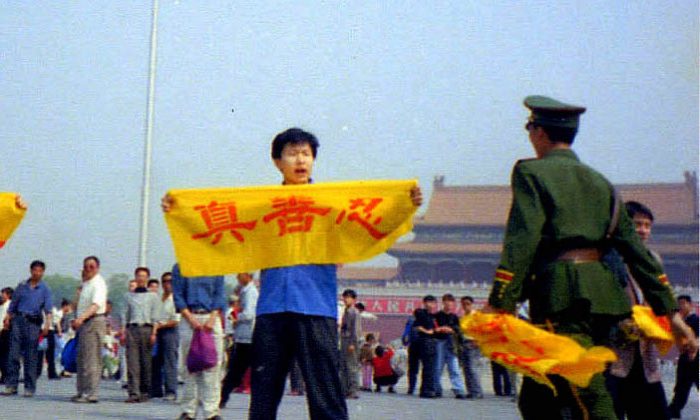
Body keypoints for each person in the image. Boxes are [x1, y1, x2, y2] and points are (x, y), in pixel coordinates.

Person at [485, 96, 697, 419]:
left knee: (588, 392)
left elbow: (522, 240)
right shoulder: (602, 183)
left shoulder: (531, 173)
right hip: (605, 300)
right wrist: (672, 315)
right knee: (538, 397)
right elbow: (637, 254)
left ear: (539, 132)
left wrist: (502, 300)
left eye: (530, 127)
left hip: (563, 297)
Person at [604, 201, 671, 419]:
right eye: (637, 224)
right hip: (613, 356)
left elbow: (662, 301)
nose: (643, 230)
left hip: (645, 356)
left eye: (647, 225)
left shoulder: (653, 260)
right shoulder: (606, 260)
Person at [170, 263, 226, 420]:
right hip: (189, 318)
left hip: (211, 318)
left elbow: (219, 294)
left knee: (213, 366)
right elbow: (178, 296)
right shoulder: (180, 266)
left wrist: (213, 317)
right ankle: (188, 410)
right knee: (190, 366)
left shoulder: (215, 265)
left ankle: (211, 411)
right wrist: (191, 319)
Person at [1, 260, 53, 398]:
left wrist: (47, 324)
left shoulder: (45, 289)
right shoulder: (22, 286)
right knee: (13, 353)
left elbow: (48, 309)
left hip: (33, 323)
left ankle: (29, 387)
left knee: (31, 356)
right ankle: (11, 385)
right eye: (35, 270)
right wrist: (7, 318)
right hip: (18, 321)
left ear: (43, 272)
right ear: (30, 271)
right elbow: (13, 305)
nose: (37, 273)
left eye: (40, 270)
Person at [71, 256, 108, 403]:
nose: (88, 269)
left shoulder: (98, 283)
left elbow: (96, 305)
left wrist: (81, 319)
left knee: (91, 359)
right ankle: (81, 391)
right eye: (86, 267)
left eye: (91, 267)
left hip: (93, 321)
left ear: (97, 268)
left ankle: (91, 393)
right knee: (82, 359)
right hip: (83, 323)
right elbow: (76, 304)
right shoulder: (86, 284)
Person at [220, 273, 258, 408]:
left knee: (237, 368)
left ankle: (223, 396)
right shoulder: (245, 291)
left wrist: (237, 318)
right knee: (238, 369)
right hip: (244, 336)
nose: (237, 277)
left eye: (240, 275)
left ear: (247, 276)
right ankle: (223, 395)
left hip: (247, 336)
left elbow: (249, 314)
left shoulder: (250, 292)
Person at [122, 267, 159, 403]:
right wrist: (123, 332)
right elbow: (124, 315)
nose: (141, 279)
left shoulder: (153, 297)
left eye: (144, 276)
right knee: (132, 362)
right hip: (132, 329)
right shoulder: (128, 296)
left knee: (146, 362)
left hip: (147, 329)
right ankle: (133, 392)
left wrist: (154, 333)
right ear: (135, 278)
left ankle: (145, 390)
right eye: (139, 276)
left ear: (147, 278)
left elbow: (156, 316)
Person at [668, 295, 699, 418]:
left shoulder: (695, 320)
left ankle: (674, 409)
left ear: (690, 305)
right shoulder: (681, 322)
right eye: (678, 304)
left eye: (683, 303)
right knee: (681, 386)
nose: (680, 306)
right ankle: (674, 410)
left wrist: (694, 350)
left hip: (696, 359)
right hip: (685, 359)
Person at [151, 271, 180, 401]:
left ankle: (171, 390)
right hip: (158, 331)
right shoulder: (158, 298)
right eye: (165, 281)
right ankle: (156, 389)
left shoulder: (177, 299)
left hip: (170, 331)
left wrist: (159, 326)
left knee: (169, 361)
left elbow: (176, 320)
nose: (167, 284)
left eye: (170, 281)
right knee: (155, 360)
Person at [434, 293, 467, 399]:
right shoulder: (437, 315)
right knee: (438, 367)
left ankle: (459, 390)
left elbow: (459, 330)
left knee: (454, 368)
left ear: (453, 304)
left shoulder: (454, 317)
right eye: (446, 301)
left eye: (450, 301)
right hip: (439, 343)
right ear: (443, 302)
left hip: (451, 344)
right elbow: (433, 328)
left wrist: (451, 329)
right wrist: (440, 329)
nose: (448, 303)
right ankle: (436, 389)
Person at [413, 295, 439, 398]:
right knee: (428, 367)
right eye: (429, 302)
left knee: (431, 367)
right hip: (425, 341)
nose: (431, 305)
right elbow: (417, 327)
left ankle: (429, 389)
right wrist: (428, 332)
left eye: (433, 303)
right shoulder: (421, 313)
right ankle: (427, 391)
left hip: (433, 342)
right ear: (424, 303)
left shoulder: (433, 317)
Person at [458, 296, 483, 399]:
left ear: (472, 304)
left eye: (468, 304)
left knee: (473, 369)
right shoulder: (463, 317)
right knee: (467, 369)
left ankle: (477, 392)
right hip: (465, 343)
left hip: (474, 344)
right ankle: (471, 391)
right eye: (463, 304)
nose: (465, 306)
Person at [339, 289, 362, 399]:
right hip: (344, 340)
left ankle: (353, 390)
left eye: (348, 297)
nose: (345, 299)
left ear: (354, 299)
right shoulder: (346, 311)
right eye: (344, 297)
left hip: (351, 341)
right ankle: (344, 390)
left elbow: (356, 329)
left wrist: (353, 343)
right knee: (344, 366)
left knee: (351, 366)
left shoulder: (354, 312)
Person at [401, 312, 421, 395]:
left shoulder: (410, 320)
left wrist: (405, 342)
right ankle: (425, 387)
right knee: (426, 368)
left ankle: (411, 388)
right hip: (424, 345)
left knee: (412, 368)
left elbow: (405, 333)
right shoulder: (426, 319)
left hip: (413, 346)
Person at [0, 287, 13, 384]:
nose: (1, 295)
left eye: (3, 293)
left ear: (8, 295)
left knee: (4, 355)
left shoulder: (9, 306)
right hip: (3, 331)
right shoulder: (4, 305)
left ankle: (5, 376)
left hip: (5, 332)